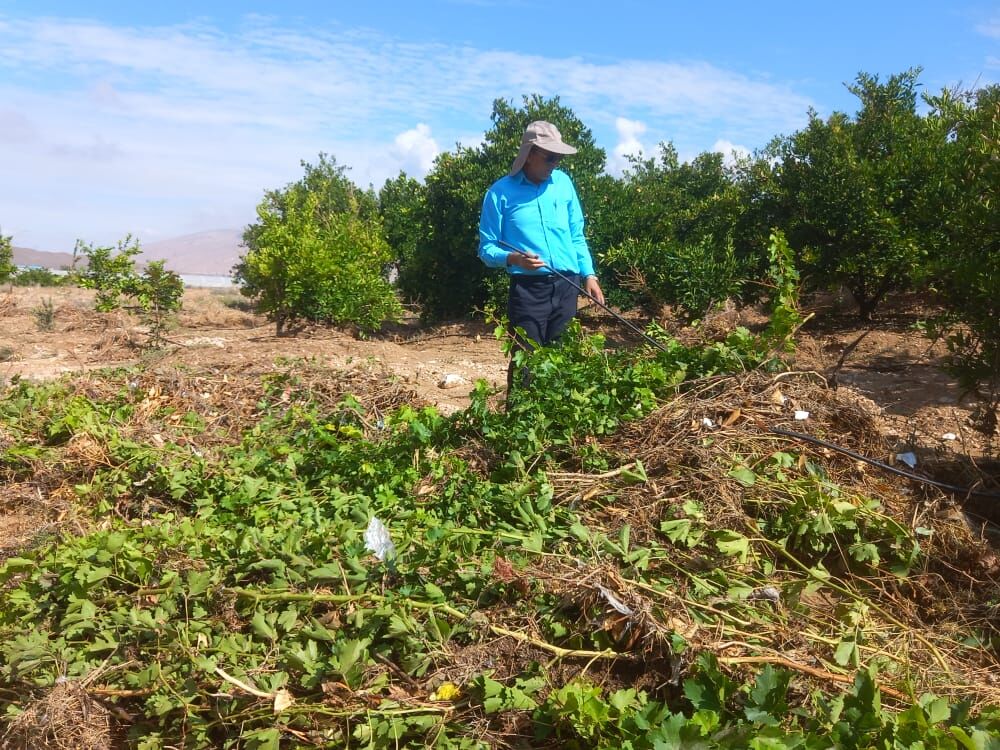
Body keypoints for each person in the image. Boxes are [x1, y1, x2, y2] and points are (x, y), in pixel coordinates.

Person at [478, 120, 605, 395]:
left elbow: (576, 234)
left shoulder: (564, 184)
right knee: (527, 360)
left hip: (567, 285)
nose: (555, 163)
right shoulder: (499, 193)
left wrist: (589, 274)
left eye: (558, 158)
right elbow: (486, 249)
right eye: (550, 157)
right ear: (530, 153)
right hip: (528, 290)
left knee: (562, 358)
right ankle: (519, 426)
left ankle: (556, 426)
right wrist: (513, 258)